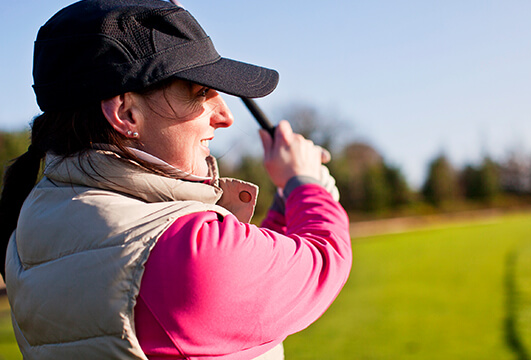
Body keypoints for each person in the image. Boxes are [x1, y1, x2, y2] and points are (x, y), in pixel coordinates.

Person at [0, 0, 352, 359]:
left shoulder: (30, 230)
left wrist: (285, 197)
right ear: (126, 112)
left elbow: (248, 269)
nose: (225, 115)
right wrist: (305, 185)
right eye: (201, 92)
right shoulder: (184, 252)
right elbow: (320, 261)